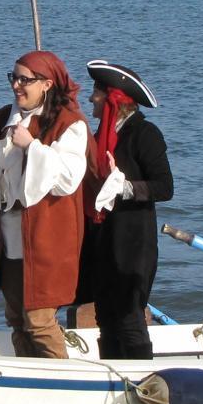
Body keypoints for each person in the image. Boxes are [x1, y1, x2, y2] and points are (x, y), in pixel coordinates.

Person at [0, 51, 88, 359]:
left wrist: (32, 146)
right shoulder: (1, 119)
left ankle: (62, 383)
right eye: (14, 78)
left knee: (39, 319)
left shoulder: (68, 124)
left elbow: (68, 178)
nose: (17, 86)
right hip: (10, 236)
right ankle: (29, 374)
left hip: (47, 236)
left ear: (47, 84)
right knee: (17, 318)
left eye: (25, 80)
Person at [76, 60, 174, 360]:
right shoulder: (97, 138)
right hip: (101, 244)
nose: (91, 99)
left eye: (97, 92)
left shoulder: (145, 134)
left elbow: (164, 187)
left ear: (113, 99)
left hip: (132, 246)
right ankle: (115, 381)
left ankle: (142, 382)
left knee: (130, 319)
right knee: (105, 320)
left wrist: (125, 187)